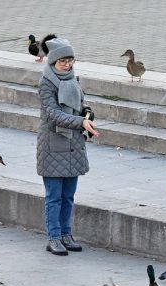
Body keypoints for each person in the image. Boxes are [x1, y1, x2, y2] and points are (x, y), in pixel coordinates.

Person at [36, 38, 99, 256]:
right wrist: (80, 122)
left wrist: (88, 113)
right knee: (54, 196)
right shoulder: (46, 84)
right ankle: (53, 237)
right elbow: (53, 114)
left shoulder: (73, 79)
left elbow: (80, 105)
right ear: (53, 61)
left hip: (73, 145)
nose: (67, 64)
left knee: (69, 196)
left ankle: (66, 234)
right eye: (63, 61)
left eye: (70, 60)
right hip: (53, 147)